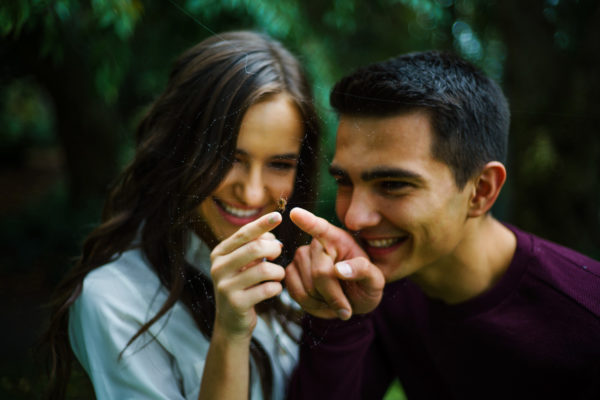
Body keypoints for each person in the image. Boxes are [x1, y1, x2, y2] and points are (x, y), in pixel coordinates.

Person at [284, 51, 600, 399]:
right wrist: (336, 314)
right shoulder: (376, 285)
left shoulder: (586, 316)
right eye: (345, 181)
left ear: (481, 190)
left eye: (392, 184)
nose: (354, 218)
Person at [43, 31, 321, 400]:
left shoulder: (290, 275)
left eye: (279, 164)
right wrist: (230, 335)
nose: (252, 193)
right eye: (229, 158)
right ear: (179, 146)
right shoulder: (114, 300)